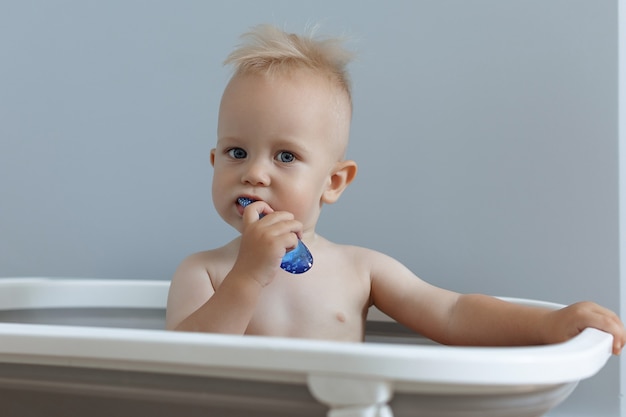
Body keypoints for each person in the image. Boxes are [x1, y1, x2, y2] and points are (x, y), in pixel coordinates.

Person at [166, 24, 626, 354]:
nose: (255, 174)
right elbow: (179, 365)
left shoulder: (359, 270)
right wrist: (247, 276)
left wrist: (550, 325)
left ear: (333, 182)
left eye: (285, 156)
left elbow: (452, 314)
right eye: (236, 153)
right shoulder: (203, 274)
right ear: (214, 161)